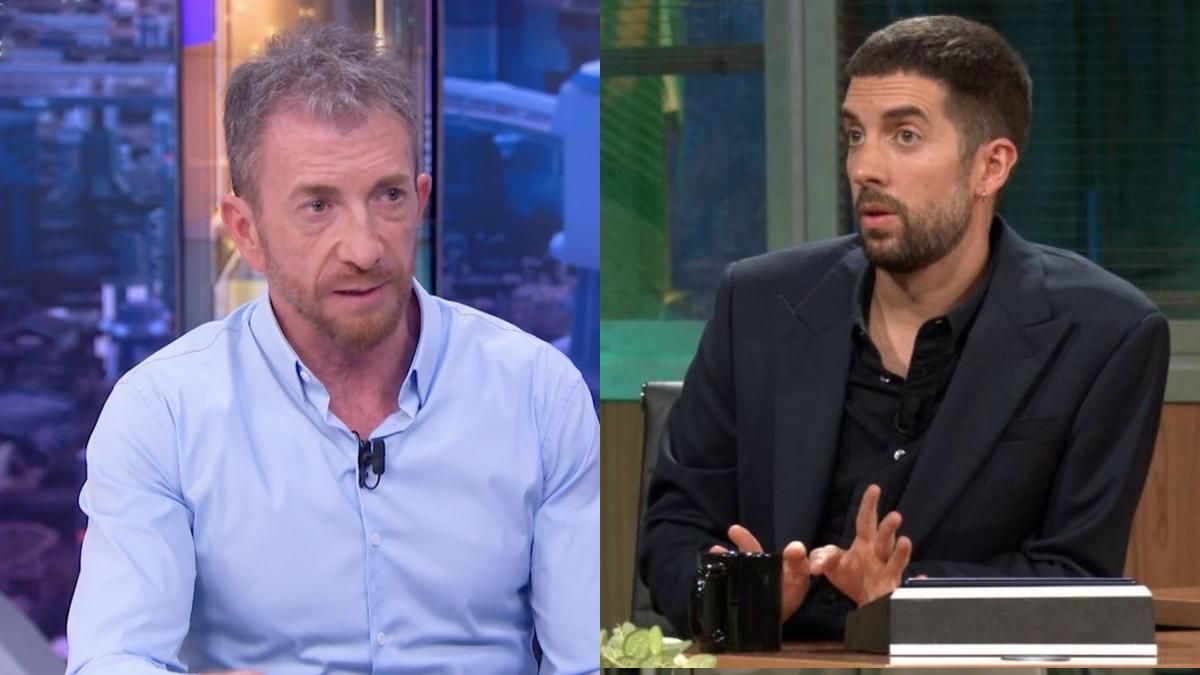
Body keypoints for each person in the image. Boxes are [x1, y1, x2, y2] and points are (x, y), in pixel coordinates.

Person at [66, 25, 598, 675]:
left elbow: (586, 661)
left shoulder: (539, 393)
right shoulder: (163, 413)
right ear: (247, 231)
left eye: (388, 196)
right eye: (318, 205)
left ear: (421, 202)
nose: (365, 248)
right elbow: (114, 656)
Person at [639, 14, 1170, 640]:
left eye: (905, 136)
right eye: (855, 135)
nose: (865, 166)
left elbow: (1074, 575)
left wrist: (908, 600)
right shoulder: (758, 303)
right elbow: (674, 527)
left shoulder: (1104, 334)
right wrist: (742, 598)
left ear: (991, 167)